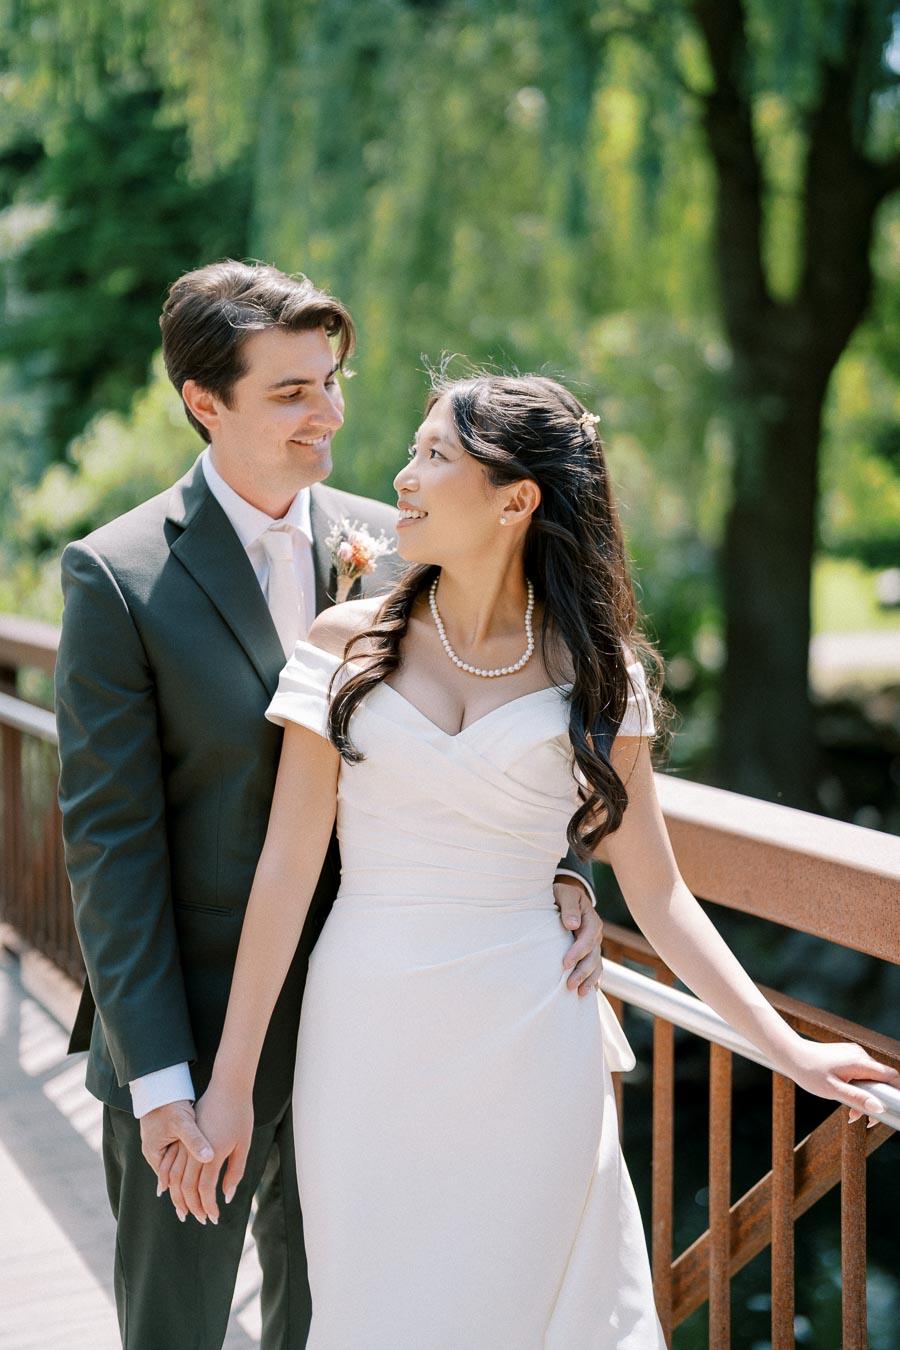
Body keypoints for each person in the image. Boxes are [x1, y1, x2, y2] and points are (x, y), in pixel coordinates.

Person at [164, 370, 900, 1348]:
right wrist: (229, 1085)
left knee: (529, 1306)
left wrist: (790, 1049)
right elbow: (286, 873)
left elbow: (659, 890)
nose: (402, 476)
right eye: (414, 451)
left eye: (436, 456)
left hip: (532, 1034)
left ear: (516, 500)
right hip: (366, 1036)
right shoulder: (346, 646)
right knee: (378, 1308)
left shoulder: (599, 674)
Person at [54, 263, 606, 1350]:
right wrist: (166, 1085)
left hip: (372, 1036)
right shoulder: (115, 578)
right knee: (174, 1332)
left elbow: (506, 717)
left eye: (334, 379)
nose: (331, 413)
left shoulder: (405, 543)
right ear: (204, 404)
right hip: (195, 1032)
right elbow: (109, 850)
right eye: (292, 391)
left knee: (335, 1322)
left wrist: (557, 865)